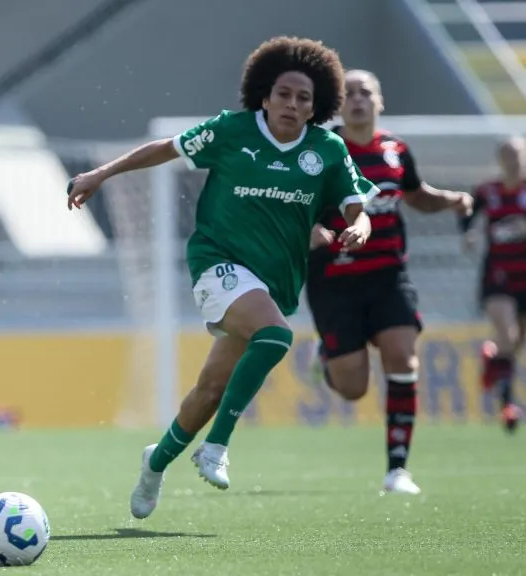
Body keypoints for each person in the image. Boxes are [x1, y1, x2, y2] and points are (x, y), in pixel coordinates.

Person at [66, 36, 376, 520]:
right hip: (217, 263)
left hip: (275, 281)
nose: (292, 105)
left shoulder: (327, 149)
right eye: (283, 94)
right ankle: (217, 446)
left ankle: (156, 462)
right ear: (264, 96)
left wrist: (357, 225)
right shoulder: (233, 131)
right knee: (275, 336)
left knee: (210, 390)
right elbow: (164, 149)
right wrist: (100, 174)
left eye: (304, 98)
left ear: (316, 107)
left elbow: (359, 207)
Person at [306, 69, 474, 494]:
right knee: (352, 388)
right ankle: (325, 356)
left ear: (380, 101)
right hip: (334, 279)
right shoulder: (323, 149)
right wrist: (308, 232)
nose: (358, 99)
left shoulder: (396, 149)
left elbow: (415, 194)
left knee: (403, 357)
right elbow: (297, 201)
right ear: (338, 104)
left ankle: (397, 469)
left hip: (387, 276)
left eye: (366, 92)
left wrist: (453, 199)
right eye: (350, 93)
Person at [462, 135, 526, 433]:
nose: (513, 160)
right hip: (498, 274)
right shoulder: (487, 191)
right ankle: (508, 406)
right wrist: (469, 235)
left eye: (518, 154)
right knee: (507, 332)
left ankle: (492, 358)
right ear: (500, 160)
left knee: (513, 344)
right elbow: (467, 219)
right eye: (508, 155)